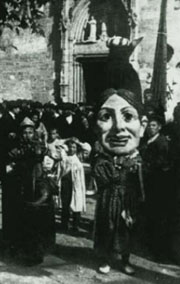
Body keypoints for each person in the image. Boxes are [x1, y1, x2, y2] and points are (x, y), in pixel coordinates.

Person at [92, 88, 146, 275]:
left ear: (143, 126)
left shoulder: (139, 159)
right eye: (106, 117)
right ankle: (106, 259)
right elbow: (103, 177)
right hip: (109, 198)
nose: (118, 127)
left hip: (128, 198)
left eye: (128, 117)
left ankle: (125, 259)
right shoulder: (102, 160)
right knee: (107, 227)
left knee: (126, 229)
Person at [2, 117, 45, 251]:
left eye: (30, 132)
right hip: (20, 184)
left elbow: (41, 156)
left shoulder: (39, 146)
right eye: (25, 133)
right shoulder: (15, 149)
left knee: (36, 214)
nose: (27, 136)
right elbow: (9, 164)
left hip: (35, 182)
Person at [17, 154, 57, 265]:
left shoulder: (44, 181)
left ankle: (36, 255)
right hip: (39, 206)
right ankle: (34, 254)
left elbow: (45, 195)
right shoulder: (35, 177)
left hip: (41, 209)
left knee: (38, 233)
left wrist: (33, 204)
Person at [141, 115, 171, 259]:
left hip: (156, 182)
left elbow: (161, 161)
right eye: (148, 125)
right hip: (147, 181)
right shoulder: (146, 141)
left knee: (156, 213)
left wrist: (145, 166)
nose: (150, 128)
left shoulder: (161, 142)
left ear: (159, 127)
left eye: (153, 125)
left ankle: (156, 248)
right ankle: (147, 242)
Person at [59, 139, 86, 232]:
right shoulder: (64, 158)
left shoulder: (77, 161)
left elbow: (86, 147)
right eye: (70, 147)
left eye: (74, 147)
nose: (71, 149)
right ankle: (64, 224)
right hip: (65, 183)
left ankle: (75, 225)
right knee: (65, 204)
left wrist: (79, 143)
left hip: (76, 185)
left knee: (76, 204)